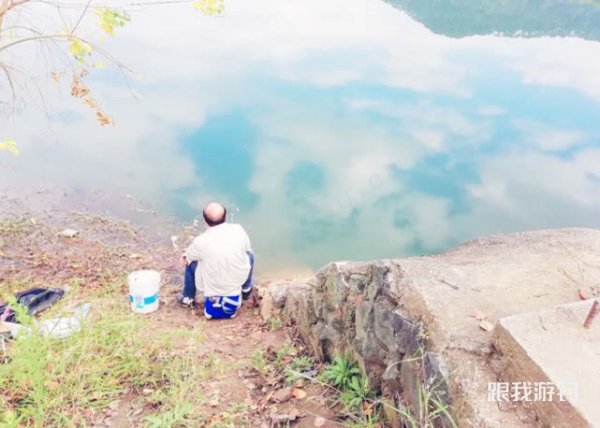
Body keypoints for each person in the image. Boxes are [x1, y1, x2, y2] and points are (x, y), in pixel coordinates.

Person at [176, 202, 254, 319]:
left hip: (212, 288)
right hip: (236, 281)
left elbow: (185, 260)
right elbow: (247, 249)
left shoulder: (201, 241)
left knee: (191, 262)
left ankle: (188, 298)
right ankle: (246, 289)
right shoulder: (238, 230)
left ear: (205, 222)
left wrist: (185, 257)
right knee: (250, 255)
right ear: (226, 217)